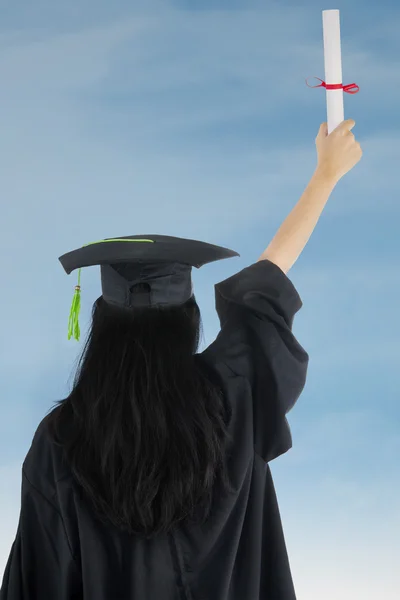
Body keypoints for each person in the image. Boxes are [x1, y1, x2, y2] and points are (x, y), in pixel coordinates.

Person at [0, 120, 362, 600]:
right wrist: (325, 176)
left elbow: (38, 581)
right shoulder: (234, 398)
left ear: (102, 324)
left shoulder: (62, 441)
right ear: (189, 320)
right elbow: (266, 284)